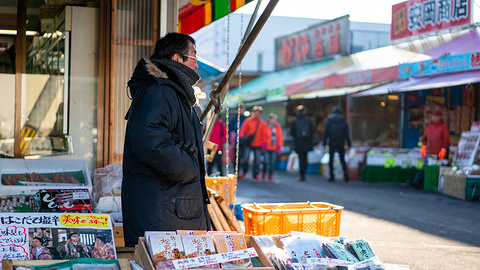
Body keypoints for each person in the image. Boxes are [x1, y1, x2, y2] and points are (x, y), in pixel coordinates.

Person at [122, 32, 210, 247]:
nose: (197, 66)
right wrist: (189, 169)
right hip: (165, 208)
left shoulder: (172, 90)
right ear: (176, 58)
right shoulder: (160, 90)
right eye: (194, 58)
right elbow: (150, 140)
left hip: (170, 206)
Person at [409, 109, 450, 189]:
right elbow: (425, 138)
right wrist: (423, 148)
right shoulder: (429, 127)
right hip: (429, 152)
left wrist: (443, 151)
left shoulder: (443, 128)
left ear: (440, 117)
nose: (434, 117)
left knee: (435, 169)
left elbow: (446, 141)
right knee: (424, 167)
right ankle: (416, 182)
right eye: (433, 116)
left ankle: (434, 185)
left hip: (438, 153)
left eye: (436, 116)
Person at [323, 105, 352, 182]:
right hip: (341, 142)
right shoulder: (343, 120)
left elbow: (325, 132)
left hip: (331, 142)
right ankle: (345, 174)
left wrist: (324, 143)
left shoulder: (329, 120)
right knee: (342, 158)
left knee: (331, 159)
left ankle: (331, 175)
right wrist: (349, 144)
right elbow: (346, 133)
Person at [239, 106, 267, 180]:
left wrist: (264, 142)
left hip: (258, 144)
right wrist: (241, 137)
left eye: (258, 113)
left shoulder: (262, 122)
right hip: (249, 143)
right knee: (245, 159)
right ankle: (244, 172)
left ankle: (255, 174)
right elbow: (243, 129)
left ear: (260, 114)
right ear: (253, 113)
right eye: (255, 113)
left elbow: (264, 133)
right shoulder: (248, 121)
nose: (256, 115)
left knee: (257, 160)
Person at [290, 105, 314, 181]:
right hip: (307, 142)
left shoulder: (295, 120)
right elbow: (312, 130)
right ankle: (304, 173)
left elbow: (292, 132)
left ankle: (301, 174)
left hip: (298, 142)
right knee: (305, 158)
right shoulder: (308, 119)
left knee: (300, 158)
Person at [263, 113, 284, 181]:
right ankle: (264, 173)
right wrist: (263, 143)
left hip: (274, 147)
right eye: (273, 119)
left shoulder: (277, 126)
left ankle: (270, 175)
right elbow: (262, 135)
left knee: (272, 162)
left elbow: (280, 136)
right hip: (266, 147)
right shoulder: (265, 126)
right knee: (266, 161)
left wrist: (279, 146)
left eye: (275, 119)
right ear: (269, 119)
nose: (274, 121)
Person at [228, 102, 247, 170]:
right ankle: (236, 170)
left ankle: (241, 170)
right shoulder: (233, 118)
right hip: (235, 140)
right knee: (236, 155)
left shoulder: (246, 119)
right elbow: (229, 129)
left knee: (243, 156)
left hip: (244, 140)